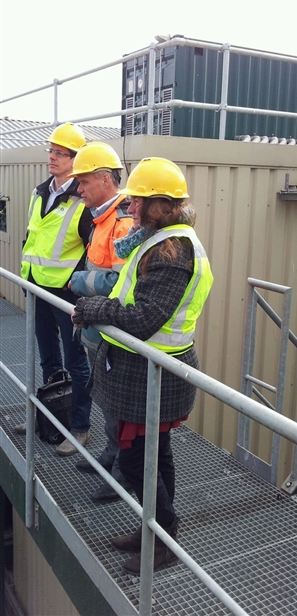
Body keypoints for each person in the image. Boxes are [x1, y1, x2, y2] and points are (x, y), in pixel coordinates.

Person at [71, 157, 213, 575]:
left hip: (155, 374)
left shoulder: (174, 251)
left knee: (134, 460)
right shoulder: (160, 238)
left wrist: (93, 307)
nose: (129, 206)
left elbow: (145, 318)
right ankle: (152, 530)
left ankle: (164, 533)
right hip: (145, 372)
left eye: (136, 201)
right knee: (156, 454)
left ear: (158, 205)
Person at [18, 123, 93, 456]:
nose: (52, 157)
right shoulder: (40, 191)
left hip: (65, 293)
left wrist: (74, 282)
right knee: (48, 356)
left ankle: (79, 429)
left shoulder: (83, 198)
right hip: (36, 286)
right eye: (50, 150)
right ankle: (49, 416)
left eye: (60, 153)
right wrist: (27, 278)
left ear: (76, 160)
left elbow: (95, 252)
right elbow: (34, 238)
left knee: (76, 361)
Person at [67, 141, 134, 500]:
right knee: (105, 401)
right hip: (98, 330)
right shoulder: (103, 219)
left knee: (116, 405)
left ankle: (122, 472)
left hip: (112, 332)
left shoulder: (121, 222)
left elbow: (119, 283)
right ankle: (110, 456)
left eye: (84, 182)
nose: (79, 190)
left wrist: (77, 282)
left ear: (106, 180)